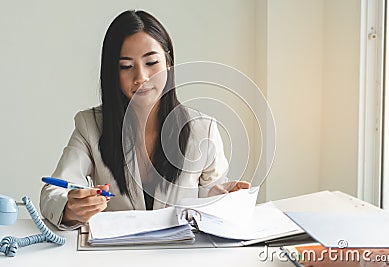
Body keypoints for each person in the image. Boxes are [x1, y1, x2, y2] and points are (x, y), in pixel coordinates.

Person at [40, 10, 250, 230]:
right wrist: (70, 208)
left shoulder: (202, 129)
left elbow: (209, 196)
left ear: (168, 62)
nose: (141, 77)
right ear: (113, 72)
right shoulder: (90, 126)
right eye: (126, 66)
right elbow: (52, 192)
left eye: (151, 62)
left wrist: (225, 197)